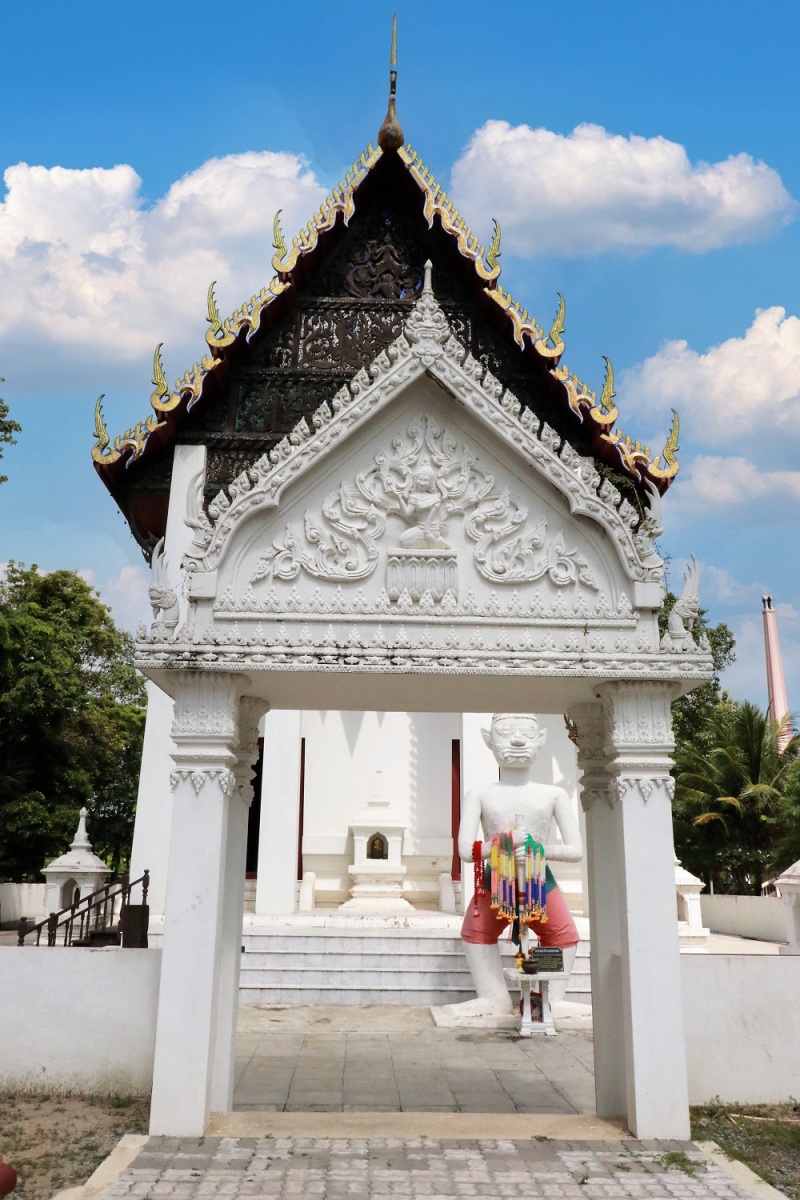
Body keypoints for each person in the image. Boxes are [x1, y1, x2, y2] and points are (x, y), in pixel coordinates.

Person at [441, 712, 582, 1018]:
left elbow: (575, 851)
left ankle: (551, 999)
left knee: (563, 934)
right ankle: (493, 998)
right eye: (505, 733)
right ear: (488, 740)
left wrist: (536, 848)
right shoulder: (479, 794)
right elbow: (466, 850)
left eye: (527, 734)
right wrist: (502, 843)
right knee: (476, 933)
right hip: (496, 879)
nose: (518, 740)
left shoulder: (553, 795)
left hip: (538, 878)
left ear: (541, 740)